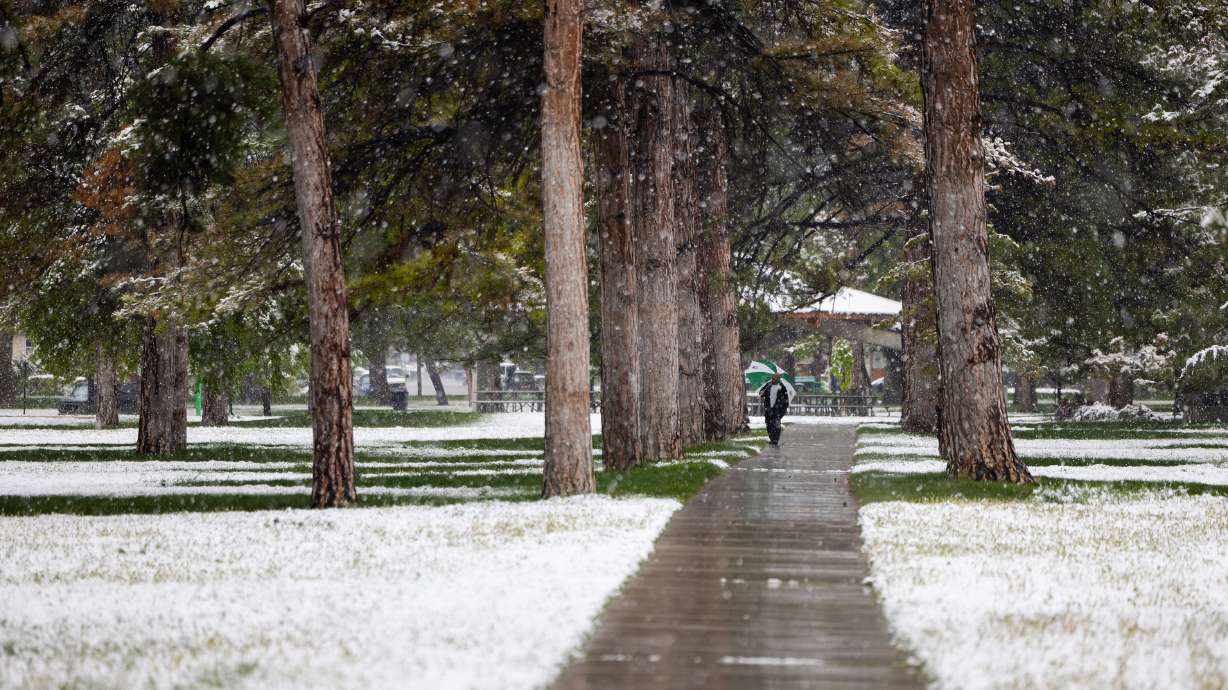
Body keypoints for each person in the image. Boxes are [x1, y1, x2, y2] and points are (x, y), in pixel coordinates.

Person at [759, 372, 790, 445]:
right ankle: (771, 438)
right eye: (773, 378)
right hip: (768, 408)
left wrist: (783, 410)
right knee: (768, 424)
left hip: (777, 409)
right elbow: (761, 393)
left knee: (776, 424)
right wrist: (762, 393)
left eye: (775, 378)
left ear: (778, 379)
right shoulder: (768, 385)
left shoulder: (782, 387)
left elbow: (786, 400)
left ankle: (775, 439)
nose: (773, 379)